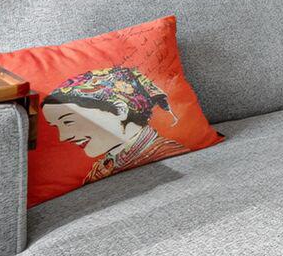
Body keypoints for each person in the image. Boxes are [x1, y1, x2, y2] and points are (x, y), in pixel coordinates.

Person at [41, 66, 188, 185]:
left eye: (68, 122)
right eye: (56, 126)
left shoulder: (165, 151)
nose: (63, 137)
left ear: (120, 110)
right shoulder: (104, 166)